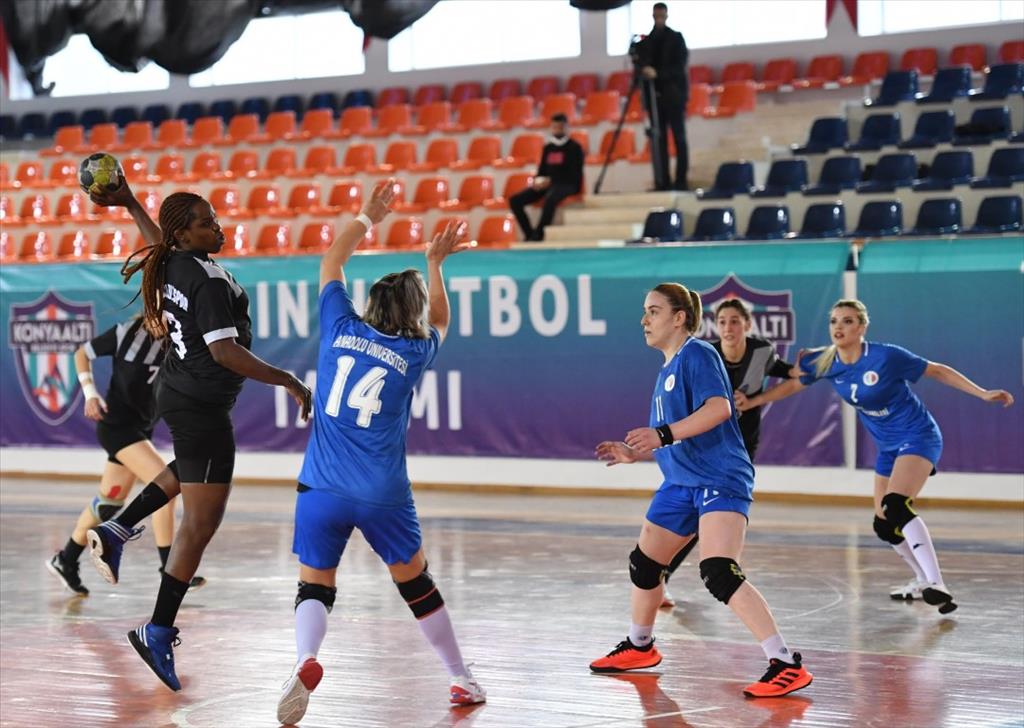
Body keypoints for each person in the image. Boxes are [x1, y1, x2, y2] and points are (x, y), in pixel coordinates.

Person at [85, 180, 312, 691]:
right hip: (201, 404)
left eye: (215, 218)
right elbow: (225, 352)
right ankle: (157, 630)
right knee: (200, 524)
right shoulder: (205, 280)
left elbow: (157, 241)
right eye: (207, 223)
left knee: (190, 471)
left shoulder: (175, 261)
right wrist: (288, 380)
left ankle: (118, 528)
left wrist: (130, 202)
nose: (218, 227)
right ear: (185, 235)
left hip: (178, 391)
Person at [276, 181, 484, 726]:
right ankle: (461, 678)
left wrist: (368, 216)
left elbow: (331, 261)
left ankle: (305, 659)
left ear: (369, 303)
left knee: (314, 584)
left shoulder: (338, 326)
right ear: (411, 313)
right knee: (416, 583)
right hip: (381, 491)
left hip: (320, 485)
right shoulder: (414, 351)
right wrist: (435, 264)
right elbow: (442, 320)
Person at [590, 282, 812, 699]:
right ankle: (640, 646)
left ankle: (786, 664)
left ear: (679, 318)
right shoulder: (667, 369)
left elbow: (719, 409)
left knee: (718, 570)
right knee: (644, 564)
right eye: (645, 311)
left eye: (653, 311)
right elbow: (676, 436)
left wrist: (661, 434)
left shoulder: (698, 354)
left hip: (719, 477)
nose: (644, 319)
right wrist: (637, 451)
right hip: (680, 482)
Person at [738, 299, 1014, 612]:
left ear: (862, 327)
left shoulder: (886, 357)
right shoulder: (825, 360)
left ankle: (937, 583)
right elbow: (793, 385)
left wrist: (982, 393)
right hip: (887, 447)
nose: (839, 327)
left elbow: (937, 370)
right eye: (834, 321)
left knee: (895, 504)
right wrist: (753, 401)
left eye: (848, 321)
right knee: (884, 524)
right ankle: (922, 580)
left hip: (918, 435)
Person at [46, 314, 205, 596]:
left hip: (142, 429)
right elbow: (82, 353)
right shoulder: (126, 332)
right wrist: (90, 393)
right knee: (166, 486)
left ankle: (66, 560)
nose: (164, 317)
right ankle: (170, 569)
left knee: (108, 504)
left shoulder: (178, 338)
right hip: (117, 427)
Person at [659, 298, 796, 608]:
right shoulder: (706, 356)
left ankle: (718, 573)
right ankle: (664, 576)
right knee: (695, 518)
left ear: (747, 324)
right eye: (722, 322)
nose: (728, 327)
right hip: (706, 449)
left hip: (740, 452)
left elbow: (795, 378)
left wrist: (756, 400)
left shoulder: (761, 352)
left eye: (734, 321)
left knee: (714, 519)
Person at [636, 2, 689, 191]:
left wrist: (657, 73)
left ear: (666, 15)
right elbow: (641, 67)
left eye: (661, 15)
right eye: (656, 15)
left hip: (674, 97)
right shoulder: (646, 42)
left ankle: (681, 181)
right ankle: (662, 181)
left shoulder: (676, 38)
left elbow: (679, 67)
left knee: (679, 138)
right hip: (654, 99)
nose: (658, 19)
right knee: (659, 142)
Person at [509, 112, 584, 242]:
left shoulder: (575, 148)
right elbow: (542, 170)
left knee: (550, 198)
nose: (557, 130)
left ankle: (539, 234)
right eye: (555, 127)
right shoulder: (548, 148)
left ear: (566, 127)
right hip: (548, 184)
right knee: (515, 200)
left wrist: (551, 180)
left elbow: (574, 174)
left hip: (568, 184)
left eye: (560, 127)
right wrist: (537, 181)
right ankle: (529, 233)